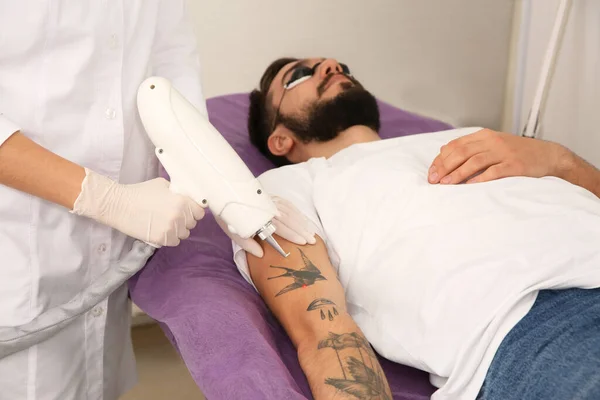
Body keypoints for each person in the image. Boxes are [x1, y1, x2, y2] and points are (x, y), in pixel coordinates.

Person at [231, 56, 600, 400]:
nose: (330, 65)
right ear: (280, 139)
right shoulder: (287, 188)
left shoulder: (471, 137)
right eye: (299, 75)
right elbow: (324, 332)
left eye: (337, 64)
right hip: (538, 322)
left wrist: (560, 161)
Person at [0, 5, 314, 400]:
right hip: (15, 248)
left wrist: (226, 187)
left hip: (106, 259)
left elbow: (170, 74)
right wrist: (104, 199)